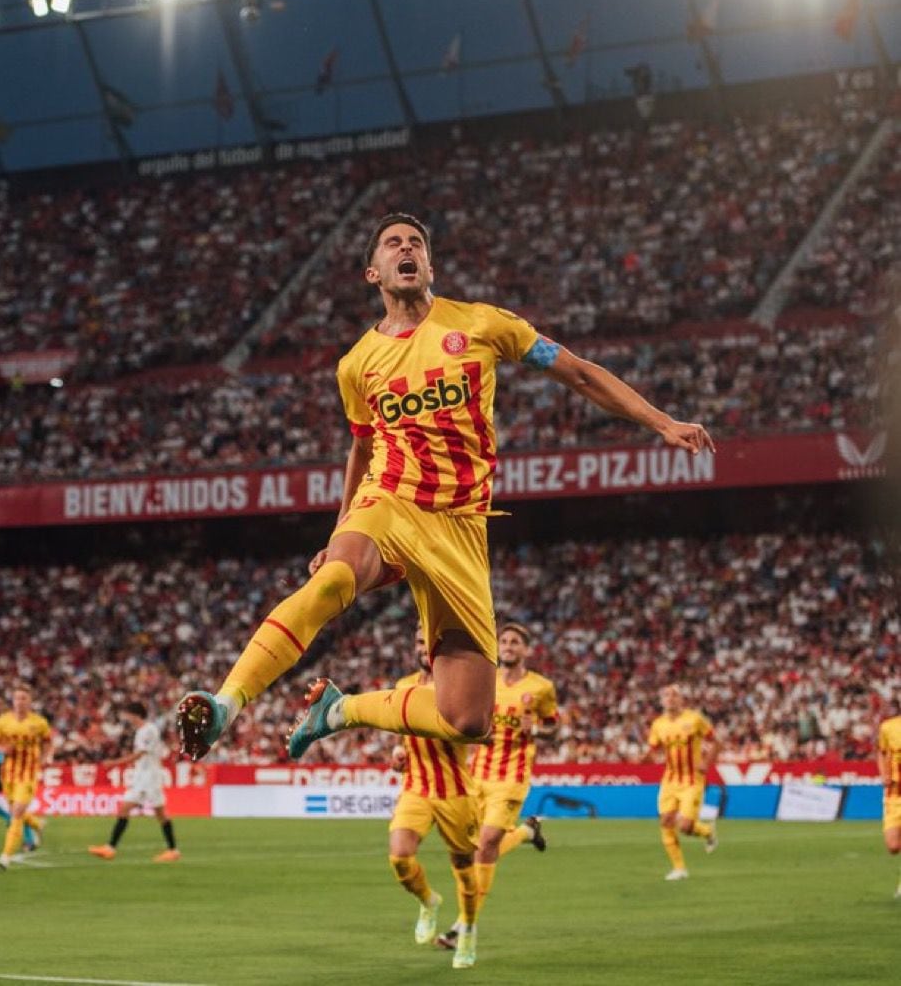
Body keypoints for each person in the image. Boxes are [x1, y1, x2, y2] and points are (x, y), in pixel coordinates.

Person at [176, 212, 714, 766]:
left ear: (429, 265)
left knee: (467, 720)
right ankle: (225, 703)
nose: (405, 248)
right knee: (335, 577)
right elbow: (362, 448)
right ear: (374, 273)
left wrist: (661, 422)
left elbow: (575, 371)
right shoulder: (356, 365)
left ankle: (339, 711)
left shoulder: (483, 323)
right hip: (390, 498)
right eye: (392, 244)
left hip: (461, 526)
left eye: (415, 243)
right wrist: (339, 530)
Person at [437, 622, 554, 950]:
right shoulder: (486, 681)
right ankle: (528, 832)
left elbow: (554, 727)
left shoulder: (541, 687)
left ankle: (463, 924)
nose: (509, 646)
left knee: (487, 842)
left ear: (525, 650)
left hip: (513, 775)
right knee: (472, 847)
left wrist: (539, 731)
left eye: (515, 641)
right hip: (478, 774)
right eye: (504, 641)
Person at [386, 629, 479, 969]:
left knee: (465, 869)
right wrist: (397, 752)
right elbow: (399, 728)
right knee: (399, 857)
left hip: (455, 792)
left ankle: (468, 928)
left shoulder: (457, 688)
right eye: (419, 642)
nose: (423, 648)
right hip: (416, 787)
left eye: (429, 642)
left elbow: (481, 730)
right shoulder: (402, 685)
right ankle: (428, 900)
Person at [88, 702, 180, 863]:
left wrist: (114, 763)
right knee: (129, 809)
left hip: (150, 777)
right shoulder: (141, 731)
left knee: (158, 812)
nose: (126, 717)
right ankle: (110, 848)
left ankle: (172, 850)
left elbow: (139, 754)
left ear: (135, 714)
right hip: (141, 776)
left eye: (128, 714)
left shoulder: (149, 730)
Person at [647, 684, 719, 881]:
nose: (670, 698)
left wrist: (706, 762)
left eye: (674, 695)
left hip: (692, 780)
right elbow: (653, 749)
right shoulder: (658, 724)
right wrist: (649, 757)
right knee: (666, 821)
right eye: (667, 695)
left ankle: (707, 831)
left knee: (686, 827)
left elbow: (715, 741)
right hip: (669, 780)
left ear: (681, 699)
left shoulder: (694, 719)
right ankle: (679, 869)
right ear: (661, 701)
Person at [0, 684, 52, 871]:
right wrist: (1, 749)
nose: (20, 702)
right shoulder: (3, 721)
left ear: (30, 701)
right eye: (17, 698)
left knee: (16, 812)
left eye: (24, 698)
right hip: (8, 773)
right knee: (15, 811)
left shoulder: (39, 723)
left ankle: (5, 856)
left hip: (28, 774)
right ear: (12, 701)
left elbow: (48, 743)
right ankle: (36, 823)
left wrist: (42, 759)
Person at [0, 695, 38, 851]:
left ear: (4, 706)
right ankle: (9, 819)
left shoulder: (9, 722)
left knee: (16, 807)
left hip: (9, 765)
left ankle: (29, 839)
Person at [876, 711, 901, 897]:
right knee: (893, 846)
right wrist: (884, 773)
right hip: (894, 795)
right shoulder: (888, 726)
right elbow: (881, 752)